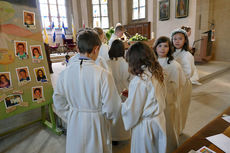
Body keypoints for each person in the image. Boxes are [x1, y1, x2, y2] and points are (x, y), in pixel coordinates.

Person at [53, 28, 121, 153]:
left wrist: (71, 114)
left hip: (75, 120)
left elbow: (58, 101)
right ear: (96, 49)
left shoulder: (65, 74)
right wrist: (105, 118)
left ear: (77, 49)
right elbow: (112, 108)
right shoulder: (104, 75)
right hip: (96, 122)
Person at [121, 42, 167, 153]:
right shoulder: (156, 72)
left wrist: (123, 104)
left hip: (146, 126)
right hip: (158, 120)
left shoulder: (139, 80)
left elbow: (133, 110)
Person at [153, 36, 186, 152]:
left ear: (170, 48)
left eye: (166, 46)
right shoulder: (153, 63)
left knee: (169, 124)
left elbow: (181, 82)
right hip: (155, 100)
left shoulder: (174, 65)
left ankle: (170, 147)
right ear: (155, 47)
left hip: (169, 99)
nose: (162, 48)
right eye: (160, 45)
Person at [107, 39, 131, 143]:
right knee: (123, 113)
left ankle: (113, 136)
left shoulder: (107, 63)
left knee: (112, 113)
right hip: (124, 89)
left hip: (111, 89)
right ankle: (123, 134)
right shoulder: (127, 63)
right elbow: (131, 78)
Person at [171, 28, 195, 134]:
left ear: (185, 40)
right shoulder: (170, 52)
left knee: (181, 108)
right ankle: (172, 128)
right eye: (175, 39)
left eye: (180, 39)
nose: (177, 41)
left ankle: (179, 129)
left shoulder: (187, 55)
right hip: (172, 84)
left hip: (183, 84)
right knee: (173, 109)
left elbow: (188, 72)